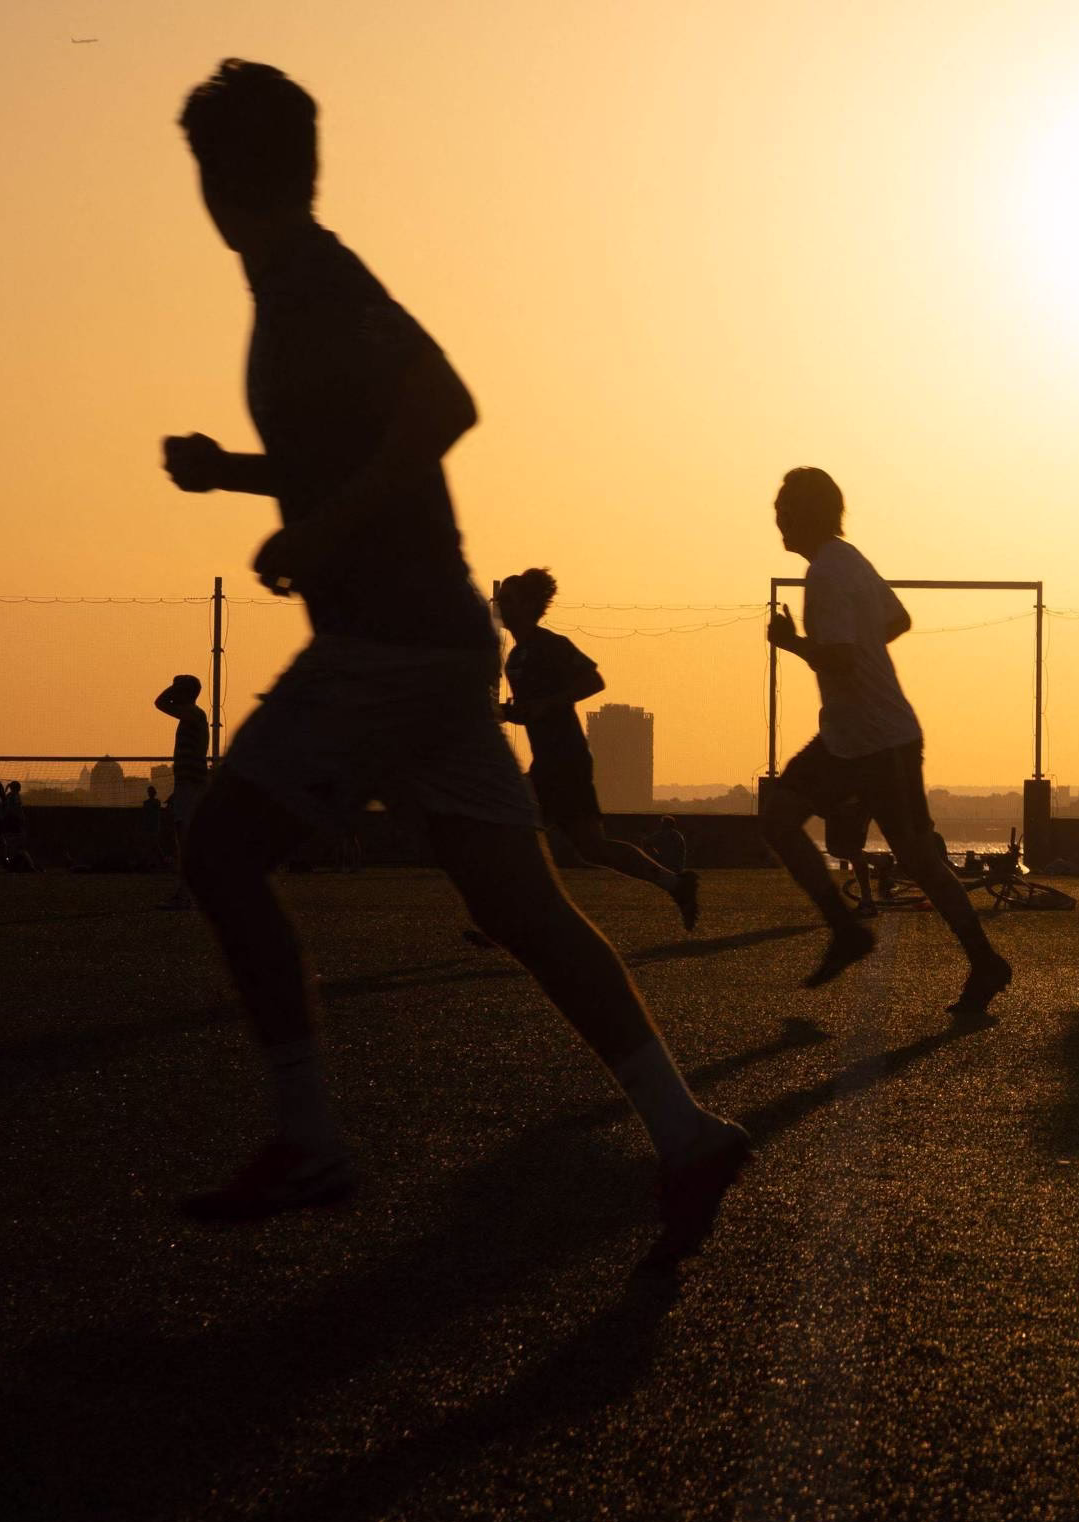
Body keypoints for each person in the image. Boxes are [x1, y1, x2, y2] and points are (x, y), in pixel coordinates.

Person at [156, 60, 746, 1260]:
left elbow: (445, 405)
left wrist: (319, 528)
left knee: (219, 851)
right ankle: (686, 1131)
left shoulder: (317, 282)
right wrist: (241, 476)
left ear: (220, 180)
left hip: (387, 639)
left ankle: (309, 1137)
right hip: (432, 645)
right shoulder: (297, 287)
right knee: (521, 904)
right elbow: (364, 444)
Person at [758, 467, 1011, 1012]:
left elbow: (843, 658)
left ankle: (960, 955)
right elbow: (898, 619)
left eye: (783, 509)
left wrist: (792, 643)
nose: (777, 519)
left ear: (805, 515)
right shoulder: (850, 561)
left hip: (875, 740)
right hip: (859, 735)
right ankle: (971, 959)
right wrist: (861, 646)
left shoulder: (825, 574)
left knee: (912, 856)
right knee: (902, 853)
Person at [494, 568, 699, 928]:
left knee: (580, 845)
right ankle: (674, 883)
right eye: (500, 600)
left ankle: (510, 920)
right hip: (546, 762)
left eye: (508, 600)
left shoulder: (551, 646)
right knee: (563, 843)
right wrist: (513, 713)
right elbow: (534, 711)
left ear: (528, 605)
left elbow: (593, 681)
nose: (500, 606)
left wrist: (546, 705)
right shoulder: (516, 658)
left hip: (566, 760)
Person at [156, 675, 210, 904]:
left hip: (190, 784)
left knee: (185, 839)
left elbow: (159, 702)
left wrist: (174, 688)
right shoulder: (195, 716)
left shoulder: (191, 714)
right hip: (188, 784)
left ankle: (185, 893)